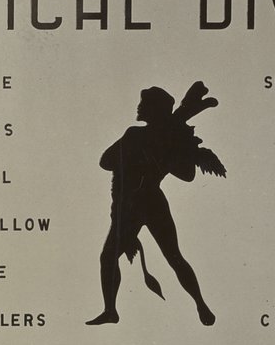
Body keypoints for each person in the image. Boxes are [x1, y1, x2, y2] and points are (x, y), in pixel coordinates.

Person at [89, 82, 223, 327]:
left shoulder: (159, 138)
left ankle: (200, 303)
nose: (139, 107)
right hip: (134, 203)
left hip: (146, 202)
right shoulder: (136, 135)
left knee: (170, 257)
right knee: (116, 257)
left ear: (154, 110)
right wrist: (141, 152)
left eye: (144, 104)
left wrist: (164, 155)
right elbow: (106, 161)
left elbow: (187, 174)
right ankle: (110, 310)